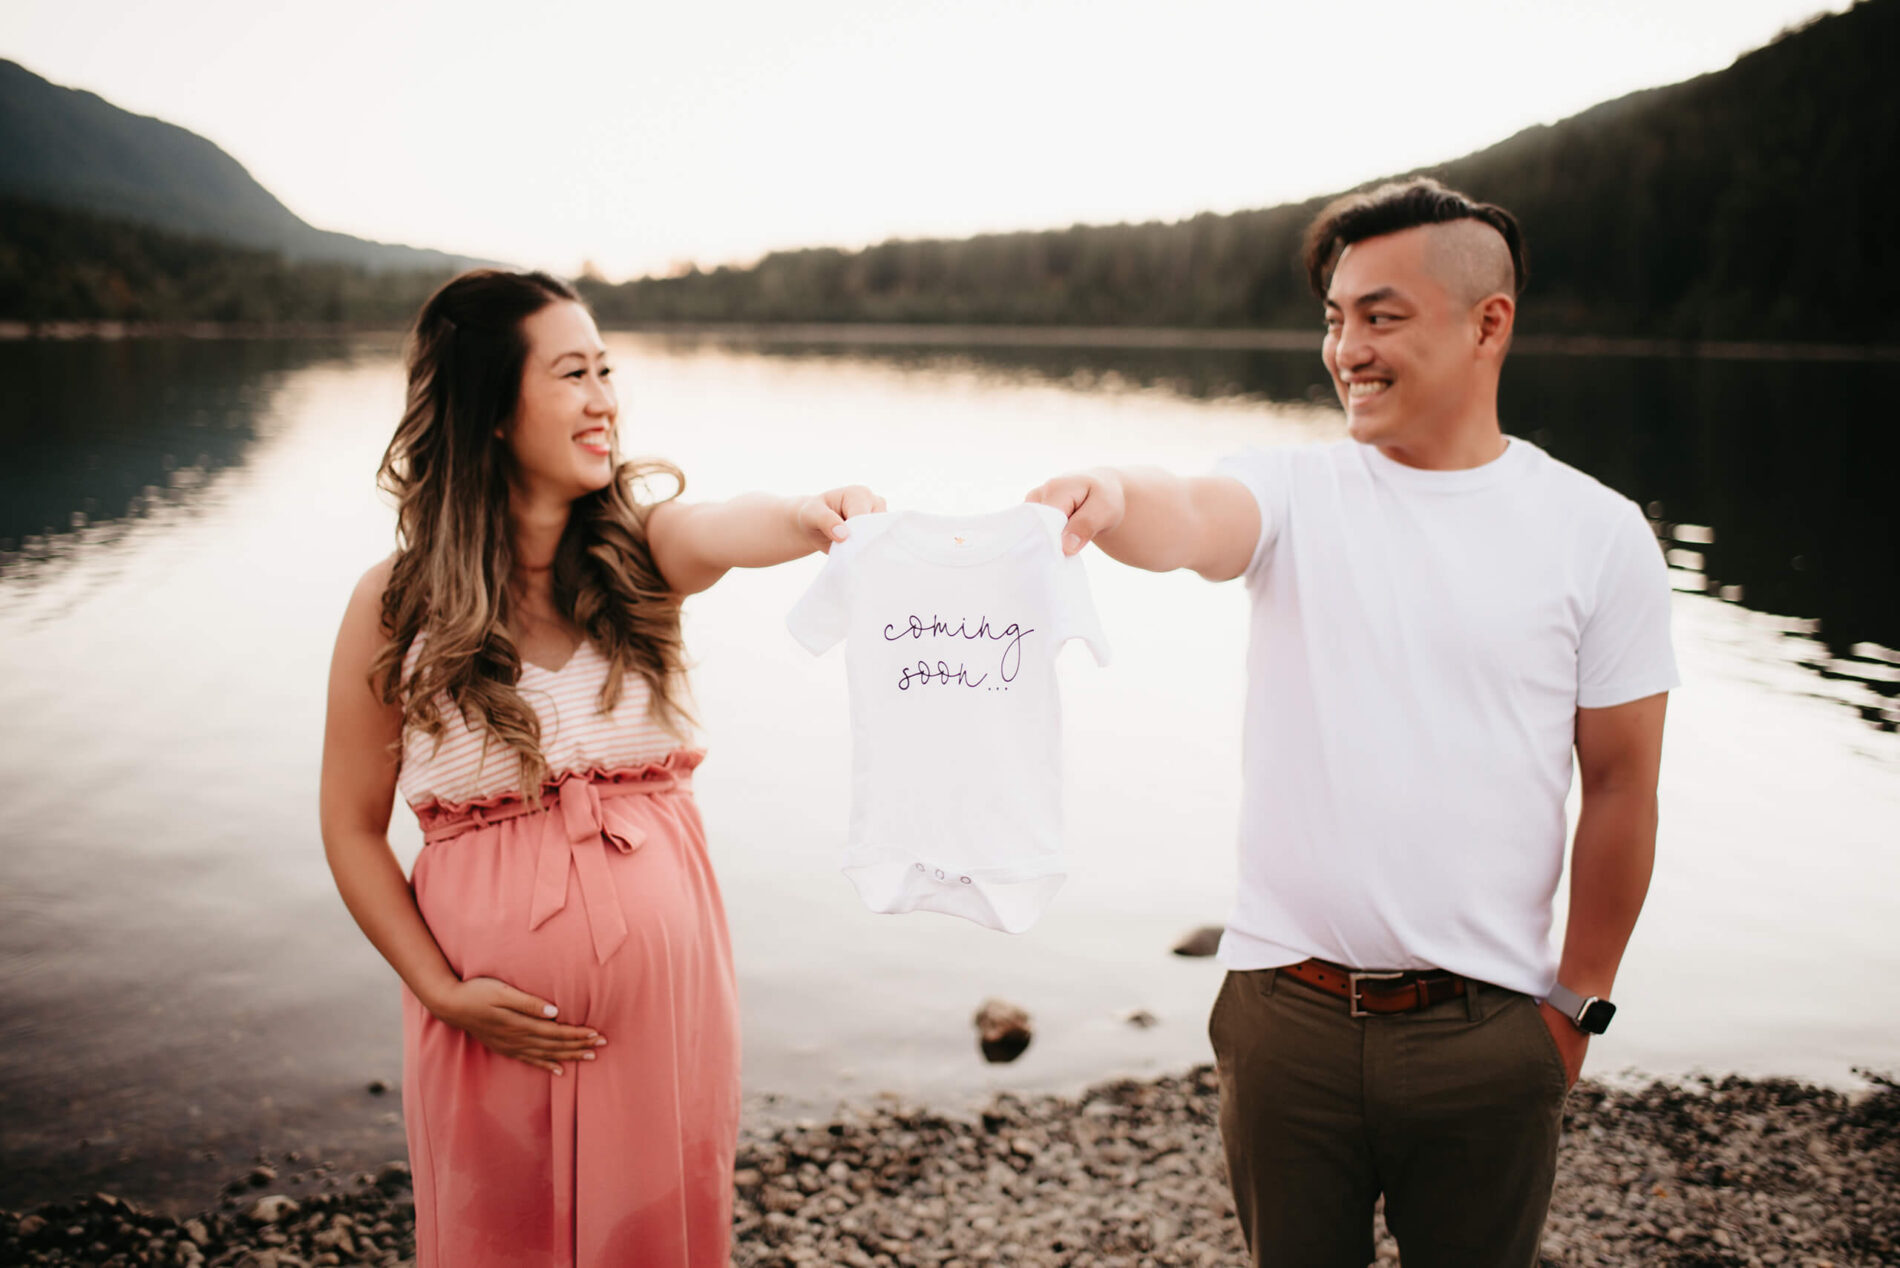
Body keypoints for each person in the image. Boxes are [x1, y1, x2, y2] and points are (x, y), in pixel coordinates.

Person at [1028, 178, 1676, 1267]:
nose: (1346, 349)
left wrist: (1575, 1010)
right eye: (1333, 318)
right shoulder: (1291, 490)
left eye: (1380, 315)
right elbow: (1188, 512)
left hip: (1489, 1030)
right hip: (1285, 1023)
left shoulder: (1597, 534)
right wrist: (1106, 489)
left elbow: (1620, 784)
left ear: (1488, 322)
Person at [318, 268, 882, 1267]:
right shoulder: (394, 605)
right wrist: (439, 989)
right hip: (489, 1021)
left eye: (607, 369)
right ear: (492, 407)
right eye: (573, 372)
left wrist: (807, 516)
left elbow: (726, 526)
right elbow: (352, 825)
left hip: (664, 1011)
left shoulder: (642, 556)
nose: (604, 398)